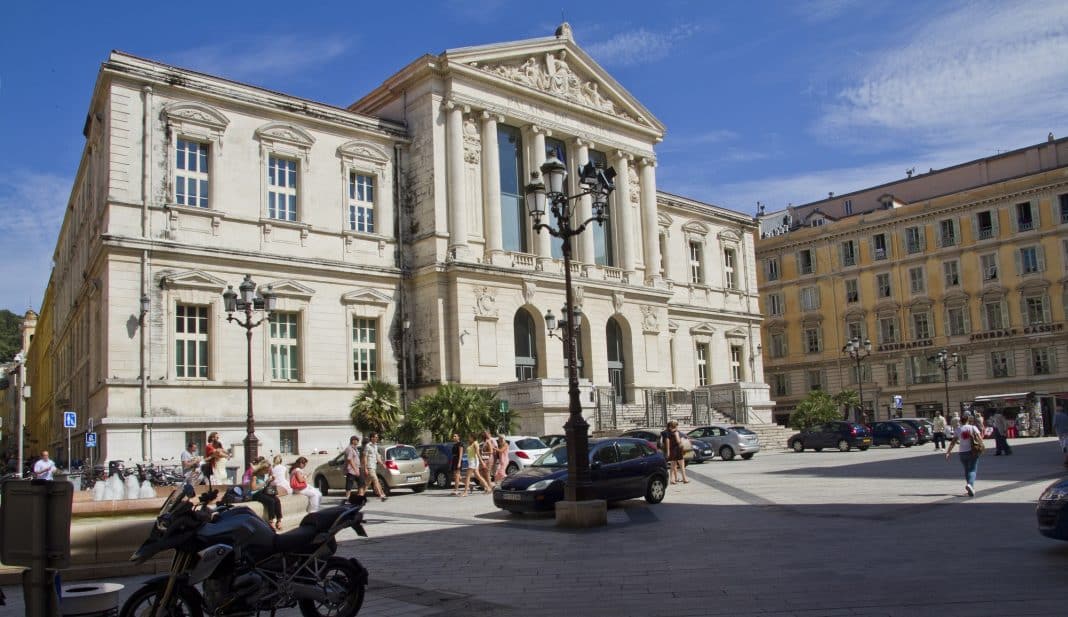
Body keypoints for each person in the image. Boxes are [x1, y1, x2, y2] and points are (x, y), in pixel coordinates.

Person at [946, 414, 982, 497]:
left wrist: (948, 452)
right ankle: (970, 485)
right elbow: (980, 438)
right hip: (972, 451)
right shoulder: (972, 427)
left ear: (960, 421)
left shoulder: (958, 429)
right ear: (968, 420)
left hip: (962, 452)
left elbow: (953, 442)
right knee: (972, 470)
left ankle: (970, 488)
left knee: (967, 470)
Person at [249, 457, 283, 530]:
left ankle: (279, 520)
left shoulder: (264, 475)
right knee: (271, 501)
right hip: (256, 494)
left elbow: (265, 485)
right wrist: (266, 482)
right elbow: (253, 488)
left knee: (276, 500)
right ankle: (271, 521)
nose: (268, 471)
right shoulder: (254, 476)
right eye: (267, 470)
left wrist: (270, 481)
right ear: (262, 469)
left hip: (263, 491)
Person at [361, 433, 387, 502]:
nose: (376, 438)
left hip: (374, 466)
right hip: (369, 466)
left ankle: (360, 495)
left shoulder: (375, 446)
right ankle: (381, 495)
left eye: (377, 437)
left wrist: (382, 464)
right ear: (371, 438)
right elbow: (365, 457)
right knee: (376, 480)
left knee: (367, 483)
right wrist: (366, 468)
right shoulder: (367, 446)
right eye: (375, 437)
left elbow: (377, 456)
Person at [343, 435, 365, 499]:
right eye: (357, 440)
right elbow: (350, 459)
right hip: (351, 470)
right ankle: (348, 498)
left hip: (358, 468)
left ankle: (360, 497)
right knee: (349, 484)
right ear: (353, 441)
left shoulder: (355, 448)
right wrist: (355, 469)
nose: (358, 442)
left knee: (361, 482)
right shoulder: (349, 449)